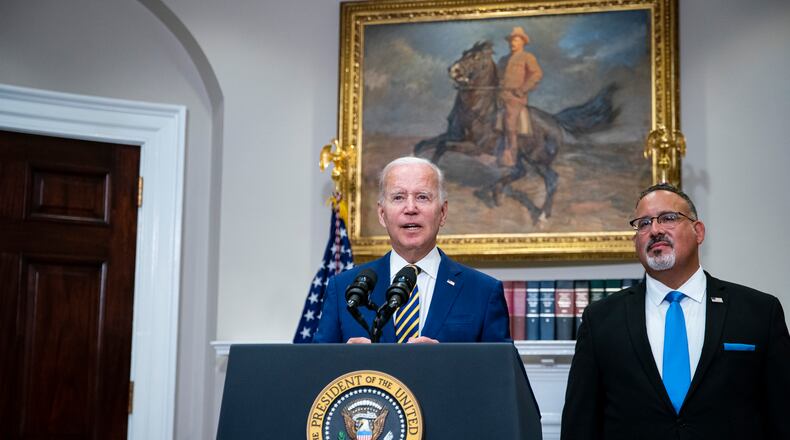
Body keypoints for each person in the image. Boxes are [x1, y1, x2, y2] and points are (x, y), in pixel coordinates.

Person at [561, 183, 790, 439]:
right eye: (644, 224)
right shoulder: (601, 319)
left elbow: (783, 417)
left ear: (698, 231)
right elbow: (579, 425)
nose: (655, 230)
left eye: (668, 218)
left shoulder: (759, 312)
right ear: (635, 240)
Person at [313, 156, 510, 344]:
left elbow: (500, 373)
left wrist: (446, 362)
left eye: (422, 197)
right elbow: (317, 371)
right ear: (382, 214)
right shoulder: (343, 289)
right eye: (398, 197)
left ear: (442, 213)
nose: (410, 208)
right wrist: (344, 360)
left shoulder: (483, 292)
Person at [497, 26, 542, 167]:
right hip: (500, 96)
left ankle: (511, 156)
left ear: (523, 42)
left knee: (510, 123)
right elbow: (498, 78)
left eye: (516, 40)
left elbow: (537, 74)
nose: (512, 43)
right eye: (511, 40)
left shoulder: (527, 57)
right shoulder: (503, 60)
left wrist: (523, 89)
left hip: (515, 98)